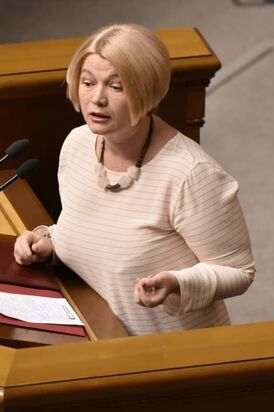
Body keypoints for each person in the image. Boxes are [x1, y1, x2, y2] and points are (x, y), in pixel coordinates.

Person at [13, 23, 255, 335]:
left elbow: (238, 270)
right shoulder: (78, 144)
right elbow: (98, 233)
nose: (97, 98)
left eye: (116, 87)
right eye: (88, 82)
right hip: (97, 336)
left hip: (169, 351)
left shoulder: (191, 175)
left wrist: (177, 282)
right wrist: (49, 241)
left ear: (148, 91)